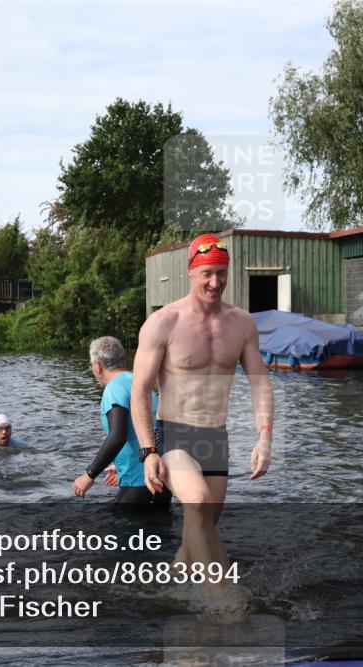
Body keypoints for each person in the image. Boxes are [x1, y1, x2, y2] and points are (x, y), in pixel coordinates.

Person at [131, 233, 273, 598]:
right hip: (174, 434)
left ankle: (169, 586)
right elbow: (140, 391)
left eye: (221, 273)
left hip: (215, 437)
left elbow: (259, 382)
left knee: (204, 525)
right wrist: (148, 452)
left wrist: (264, 436)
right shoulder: (164, 322)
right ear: (191, 272)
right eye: (207, 273)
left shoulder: (241, 324)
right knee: (197, 506)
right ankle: (224, 602)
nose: (215, 282)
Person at [72, 337, 171, 510]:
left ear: (98, 365)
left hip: (139, 483)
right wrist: (120, 466)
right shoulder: (141, 384)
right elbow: (148, 432)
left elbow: (118, 435)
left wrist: (89, 474)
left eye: (91, 364)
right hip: (162, 481)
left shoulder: (114, 388)